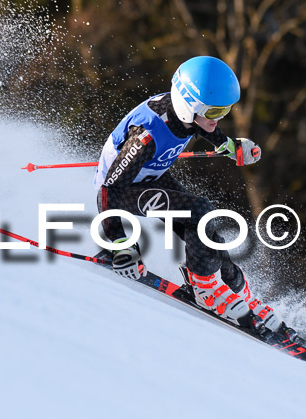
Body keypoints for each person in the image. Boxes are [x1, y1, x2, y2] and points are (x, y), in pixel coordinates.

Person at [93, 56, 279, 331]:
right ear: (189, 106)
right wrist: (120, 243)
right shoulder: (146, 136)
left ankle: (233, 286)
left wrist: (231, 147)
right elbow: (108, 190)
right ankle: (204, 287)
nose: (220, 119)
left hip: (152, 177)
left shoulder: (189, 116)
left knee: (207, 228)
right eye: (215, 112)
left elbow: (204, 127)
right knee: (199, 210)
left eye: (225, 111)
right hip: (125, 190)